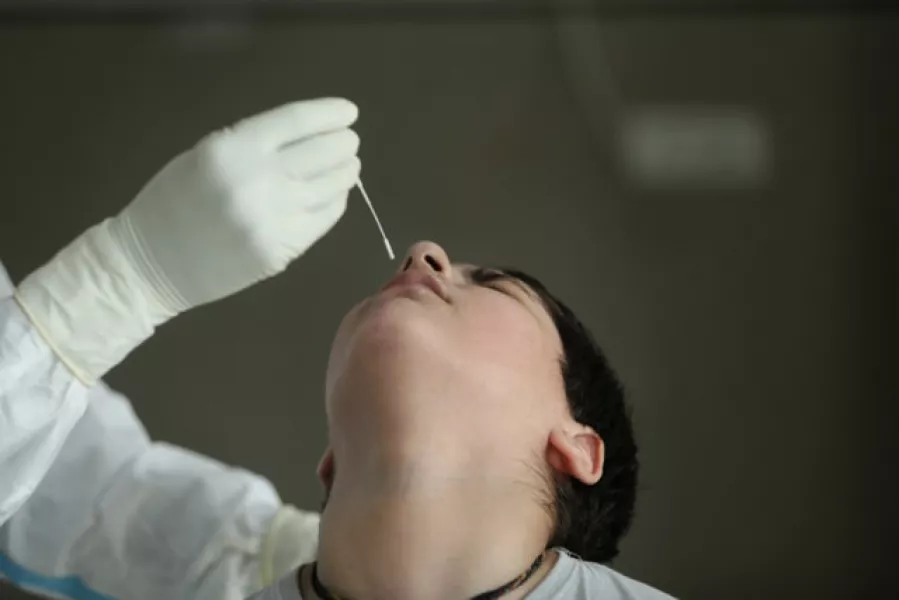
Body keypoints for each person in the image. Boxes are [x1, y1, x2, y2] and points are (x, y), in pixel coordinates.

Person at [0, 98, 673, 599]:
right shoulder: (222, 560)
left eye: (494, 285)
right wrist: (125, 274)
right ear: (330, 462)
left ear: (578, 447)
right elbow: (65, 481)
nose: (423, 252)